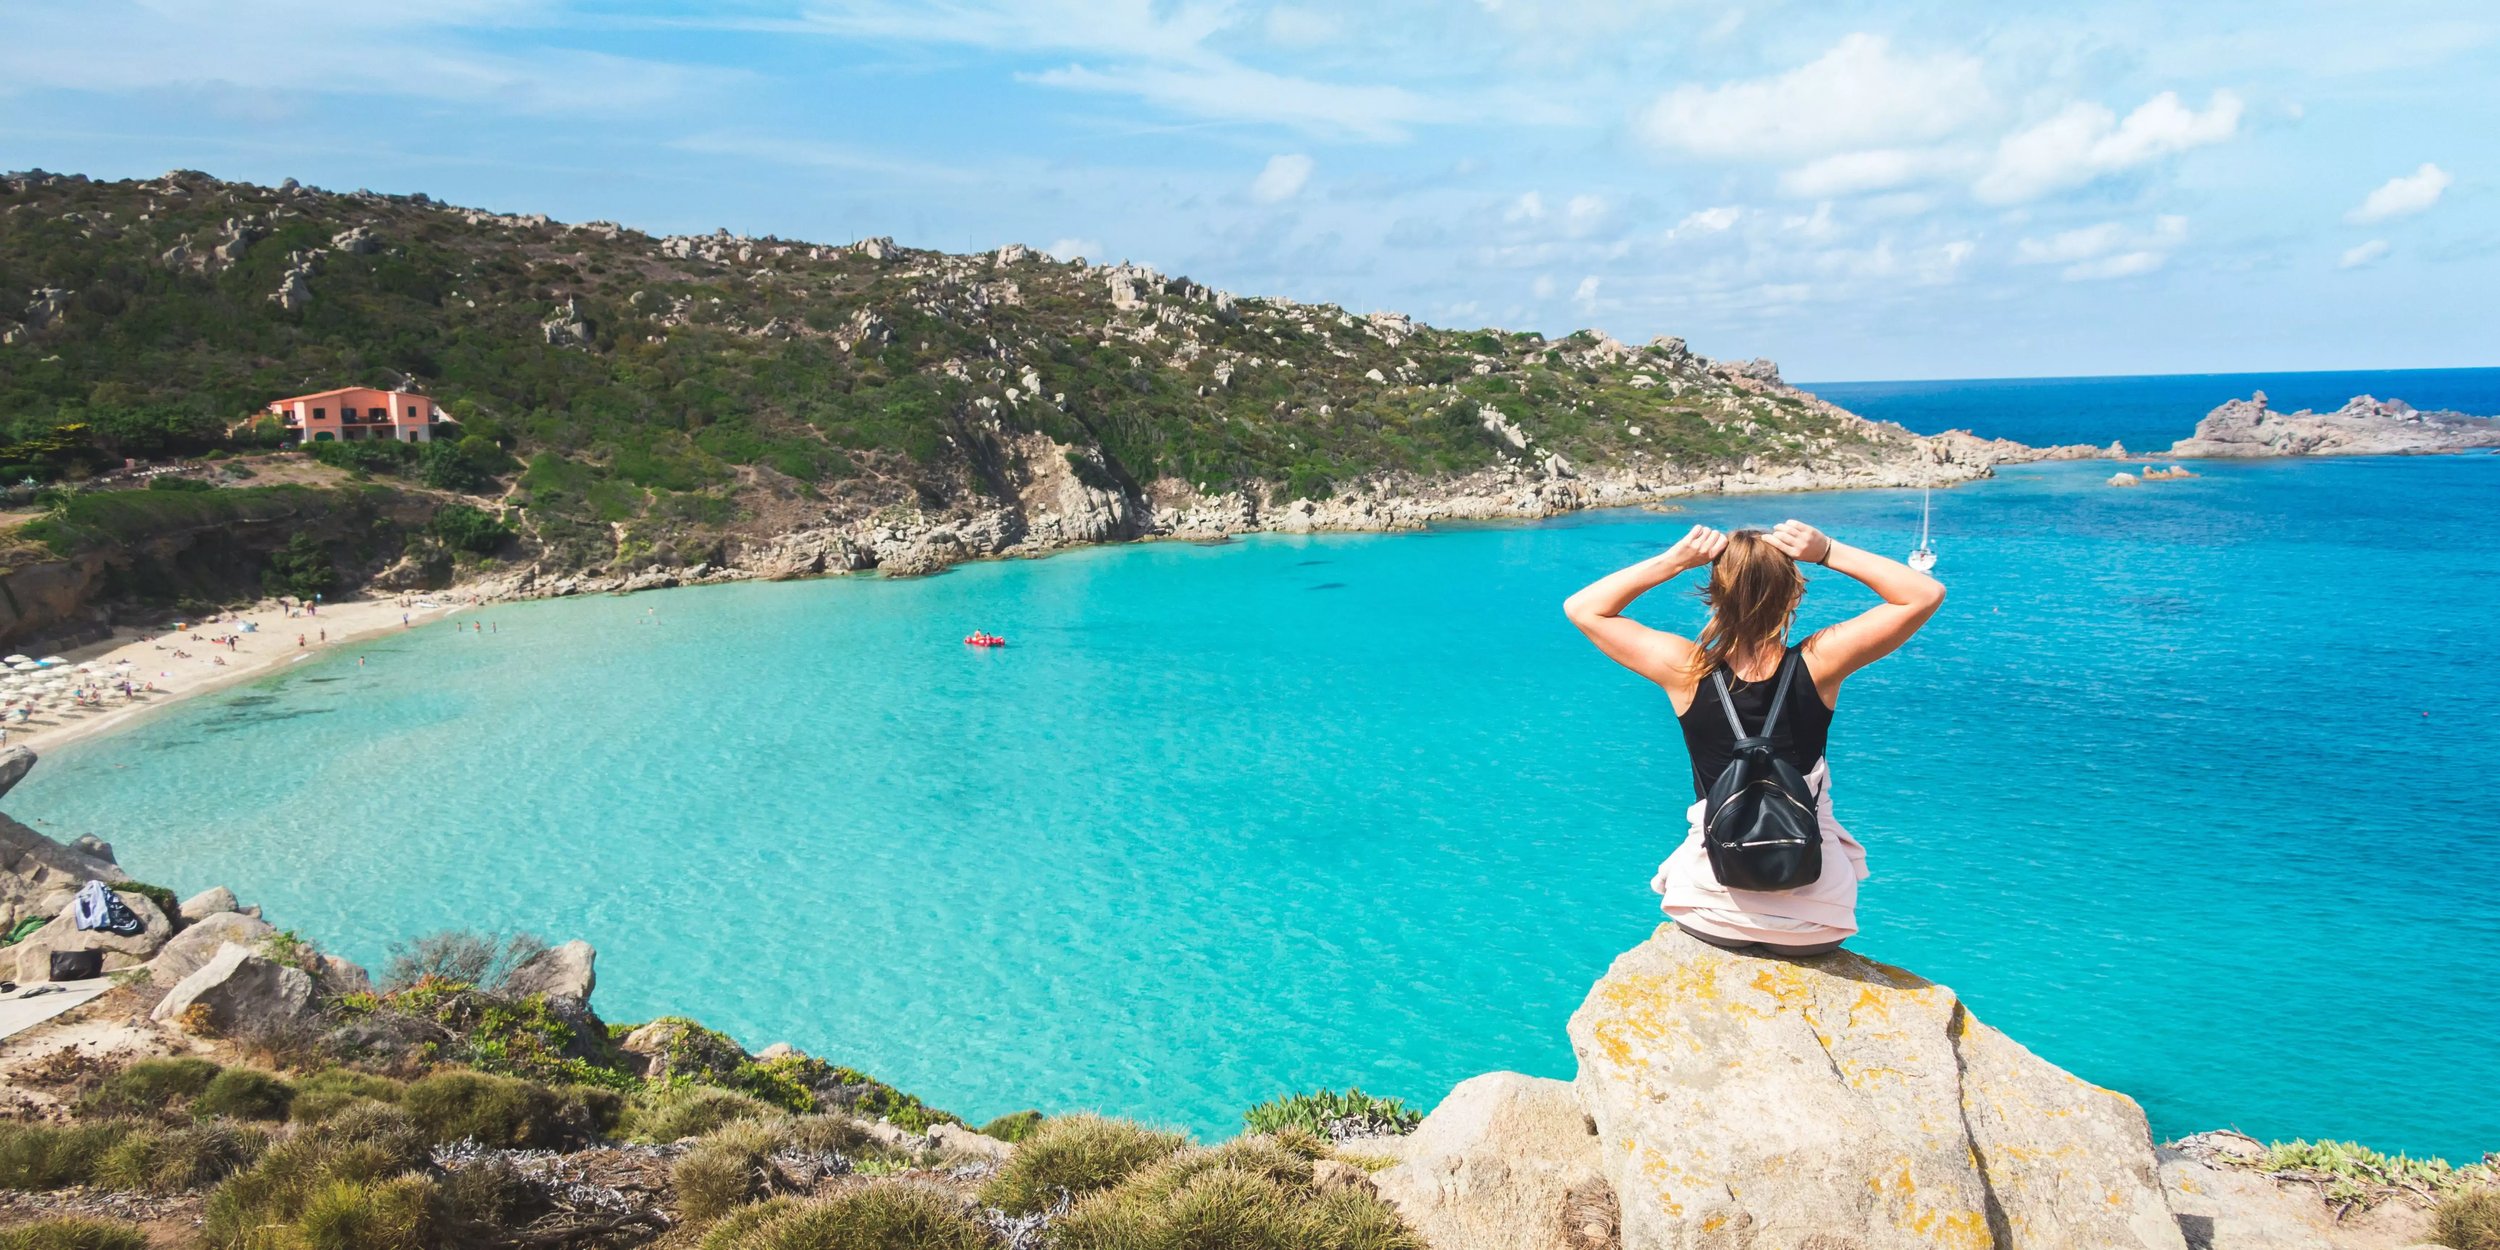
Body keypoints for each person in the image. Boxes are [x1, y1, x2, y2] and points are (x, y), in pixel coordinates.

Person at [1564, 519, 1945, 957]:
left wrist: (1675, 561)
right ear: (1795, 594)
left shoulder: (1685, 670)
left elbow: (1584, 607)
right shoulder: (1820, 663)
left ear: (1715, 595)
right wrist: (1827, 550)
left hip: (1710, 907)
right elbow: (1923, 594)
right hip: (1815, 920)